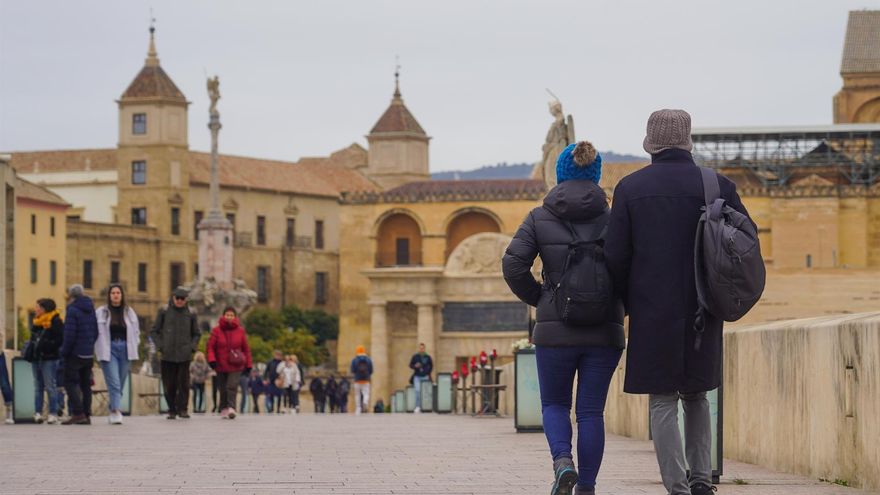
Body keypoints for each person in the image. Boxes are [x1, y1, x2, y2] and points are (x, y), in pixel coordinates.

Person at [604, 110, 754, 495]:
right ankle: (702, 480)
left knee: (662, 399)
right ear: (688, 140)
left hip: (652, 309)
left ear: (649, 143)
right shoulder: (718, 185)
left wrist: (625, 303)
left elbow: (615, 256)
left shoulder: (630, 189)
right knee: (697, 394)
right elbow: (745, 245)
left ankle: (677, 486)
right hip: (705, 306)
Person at [503, 140, 625, 495]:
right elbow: (634, 268)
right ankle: (586, 487)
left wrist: (541, 298)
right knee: (590, 412)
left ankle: (562, 463)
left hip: (555, 331)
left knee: (555, 404)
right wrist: (617, 304)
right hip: (605, 331)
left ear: (559, 174)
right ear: (596, 174)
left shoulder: (539, 217)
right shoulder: (615, 217)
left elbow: (513, 265)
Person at [150, 287, 199, 420]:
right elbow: (154, 331)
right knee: (169, 384)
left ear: (186, 300)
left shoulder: (191, 314)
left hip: (184, 355)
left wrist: (192, 347)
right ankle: (172, 409)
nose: (179, 301)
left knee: (183, 384)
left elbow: (196, 334)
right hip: (167, 354)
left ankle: (183, 409)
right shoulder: (164, 312)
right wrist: (161, 346)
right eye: (177, 298)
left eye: (182, 299)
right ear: (173, 298)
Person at [95, 284, 140, 425]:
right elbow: (95, 331)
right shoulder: (101, 312)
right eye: (113, 292)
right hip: (109, 349)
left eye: (118, 292)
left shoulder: (129, 311)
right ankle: (116, 411)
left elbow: (136, 331)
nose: (115, 295)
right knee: (114, 382)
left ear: (122, 295)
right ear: (109, 295)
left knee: (120, 382)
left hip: (126, 349)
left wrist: (135, 343)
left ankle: (112, 407)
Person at [60, 284, 99, 425]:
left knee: (69, 382)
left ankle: (78, 412)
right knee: (85, 385)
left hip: (75, 354)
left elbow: (69, 335)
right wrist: (89, 347)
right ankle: (87, 415)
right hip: (88, 354)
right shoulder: (91, 308)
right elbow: (96, 332)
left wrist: (64, 351)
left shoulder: (72, 310)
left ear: (72, 296)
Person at [206, 307, 253, 420]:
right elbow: (210, 347)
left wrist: (248, 364)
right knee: (222, 388)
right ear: (223, 316)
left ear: (235, 317)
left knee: (231, 386)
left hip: (236, 364)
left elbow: (246, 349)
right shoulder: (216, 330)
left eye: (232, 315)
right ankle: (223, 408)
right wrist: (212, 360)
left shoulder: (241, 330)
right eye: (227, 315)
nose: (229, 317)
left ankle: (232, 408)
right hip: (220, 364)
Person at [28, 298, 64, 424]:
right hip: (36, 357)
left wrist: (47, 346)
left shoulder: (56, 321)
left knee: (50, 386)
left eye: (37, 307)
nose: (35, 309)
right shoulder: (36, 322)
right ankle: (38, 413)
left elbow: (59, 340)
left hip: (50, 358)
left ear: (44, 309)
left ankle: (53, 413)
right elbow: (33, 338)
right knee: (38, 386)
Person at [408, 343, 433, 414]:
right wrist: (415, 366)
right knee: (417, 391)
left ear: (424, 349)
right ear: (419, 348)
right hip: (417, 376)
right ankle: (418, 406)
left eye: (423, 348)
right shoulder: (415, 357)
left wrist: (427, 372)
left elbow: (431, 366)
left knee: (426, 392)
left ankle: (426, 406)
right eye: (420, 348)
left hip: (425, 376)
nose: (421, 349)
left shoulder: (428, 357)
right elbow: (410, 365)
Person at [350, 346, 373, 415]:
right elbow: (371, 370)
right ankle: (365, 402)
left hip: (357, 380)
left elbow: (352, 370)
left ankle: (358, 408)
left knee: (357, 394)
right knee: (366, 393)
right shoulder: (368, 359)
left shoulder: (354, 360)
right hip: (366, 380)